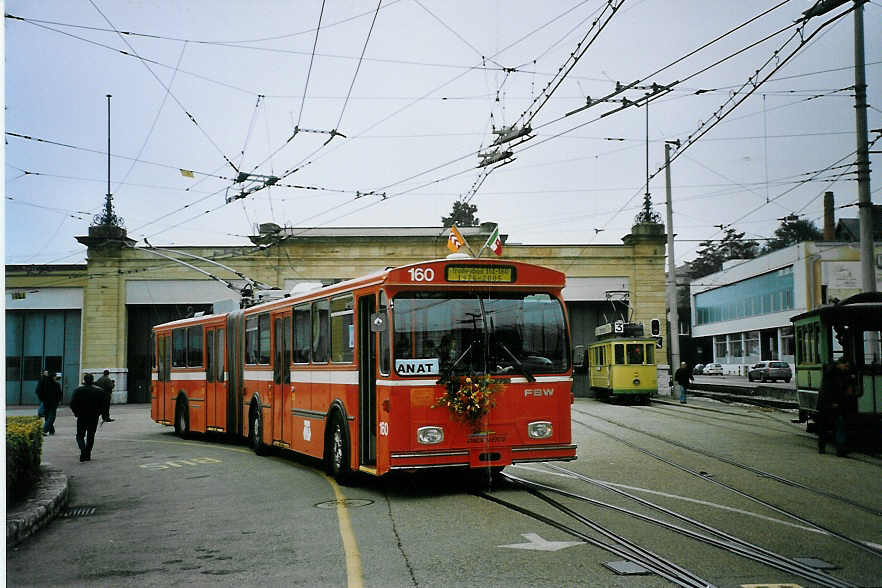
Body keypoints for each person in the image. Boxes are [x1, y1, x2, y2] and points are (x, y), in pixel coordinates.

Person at [817, 358, 856, 456]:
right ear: (840, 364)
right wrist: (833, 402)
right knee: (834, 425)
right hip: (829, 404)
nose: (846, 368)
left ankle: (837, 448)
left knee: (833, 426)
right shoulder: (832, 373)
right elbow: (830, 390)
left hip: (831, 404)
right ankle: (836, 448)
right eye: (845, 366)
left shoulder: (836, 373)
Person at [70, 373, 105, 462]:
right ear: (92, 380)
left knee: (80, 435)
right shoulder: (99, 391)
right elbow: (103, 405)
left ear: (84, 380)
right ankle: (87, 453)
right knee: (91, 435)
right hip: (94, 416)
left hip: (82, 415)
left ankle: (83, 450)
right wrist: (101, 413)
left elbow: (72, 403)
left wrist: (76, 413)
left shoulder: (78, 390)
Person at [36, 370, 63, 435]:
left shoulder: (45, 383)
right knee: (52, 417)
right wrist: (58, 401)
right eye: (55, 376)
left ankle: (51, 430)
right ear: (53, 377)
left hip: (46, 402)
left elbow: (39, 391)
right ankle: (44, 430)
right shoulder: (56, 384)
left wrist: (42, 399)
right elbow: (59, 394)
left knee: (47, 416)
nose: (56, 377)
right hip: (53, 403)